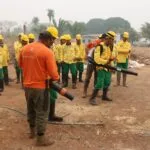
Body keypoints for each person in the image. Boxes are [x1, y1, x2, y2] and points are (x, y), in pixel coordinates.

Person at [19, 27, 59, 146]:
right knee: (41, 111)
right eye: (52, 40)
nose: (53, 43)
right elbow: (54, 75)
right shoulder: (47, 52)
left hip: (27, 86)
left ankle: (32, 132)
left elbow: (21, 65)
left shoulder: (24, 49)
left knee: (30, 109)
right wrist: (55, 77)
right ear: (47, 39)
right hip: (41, 87)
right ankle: (40, 139)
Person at [89, 31, 116, 105]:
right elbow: (97, 59)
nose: (113, 41)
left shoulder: (109, 47)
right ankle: (92, 98)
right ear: (108, 38)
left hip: (108, 68)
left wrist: (112, 66)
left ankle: (104, 96)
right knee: (99, 83)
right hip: (101, 67)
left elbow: (110, 58)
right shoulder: (99, 46)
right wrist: (106, 62)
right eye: (112, 40)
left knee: (107, 82)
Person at [82, 34, 106, 98]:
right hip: (91, 61)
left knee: (96, 77)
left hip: (98, 62)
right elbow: (87, 46)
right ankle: (84, 91)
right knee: (87, 77)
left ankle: (95, 92)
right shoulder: (97, 42)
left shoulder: (105, 45)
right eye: (103, 38)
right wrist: (87, 55)